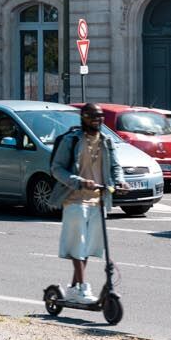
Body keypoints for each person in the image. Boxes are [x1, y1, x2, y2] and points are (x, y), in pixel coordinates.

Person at [50, 102, 118, 306]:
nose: (98, 121)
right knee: (77, 244)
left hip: (98, 200)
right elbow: (57, 168)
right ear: (84, 118)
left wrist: (119, 182)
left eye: (100, 117)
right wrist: (78, 181)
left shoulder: (106, 141)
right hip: (75, 199)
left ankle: (73, 289)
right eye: (93, 117)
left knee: (88, 247)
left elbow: (115, 167)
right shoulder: (71, 140)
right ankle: (82, 287)